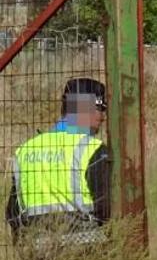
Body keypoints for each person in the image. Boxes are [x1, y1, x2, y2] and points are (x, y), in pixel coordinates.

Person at [8, 77, 111, 240]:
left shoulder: (25, 150)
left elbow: (13, 213)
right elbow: (106, 210)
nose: (103, 117)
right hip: (87, 250)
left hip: (37, 251)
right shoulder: (93, 150)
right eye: (100, 108)